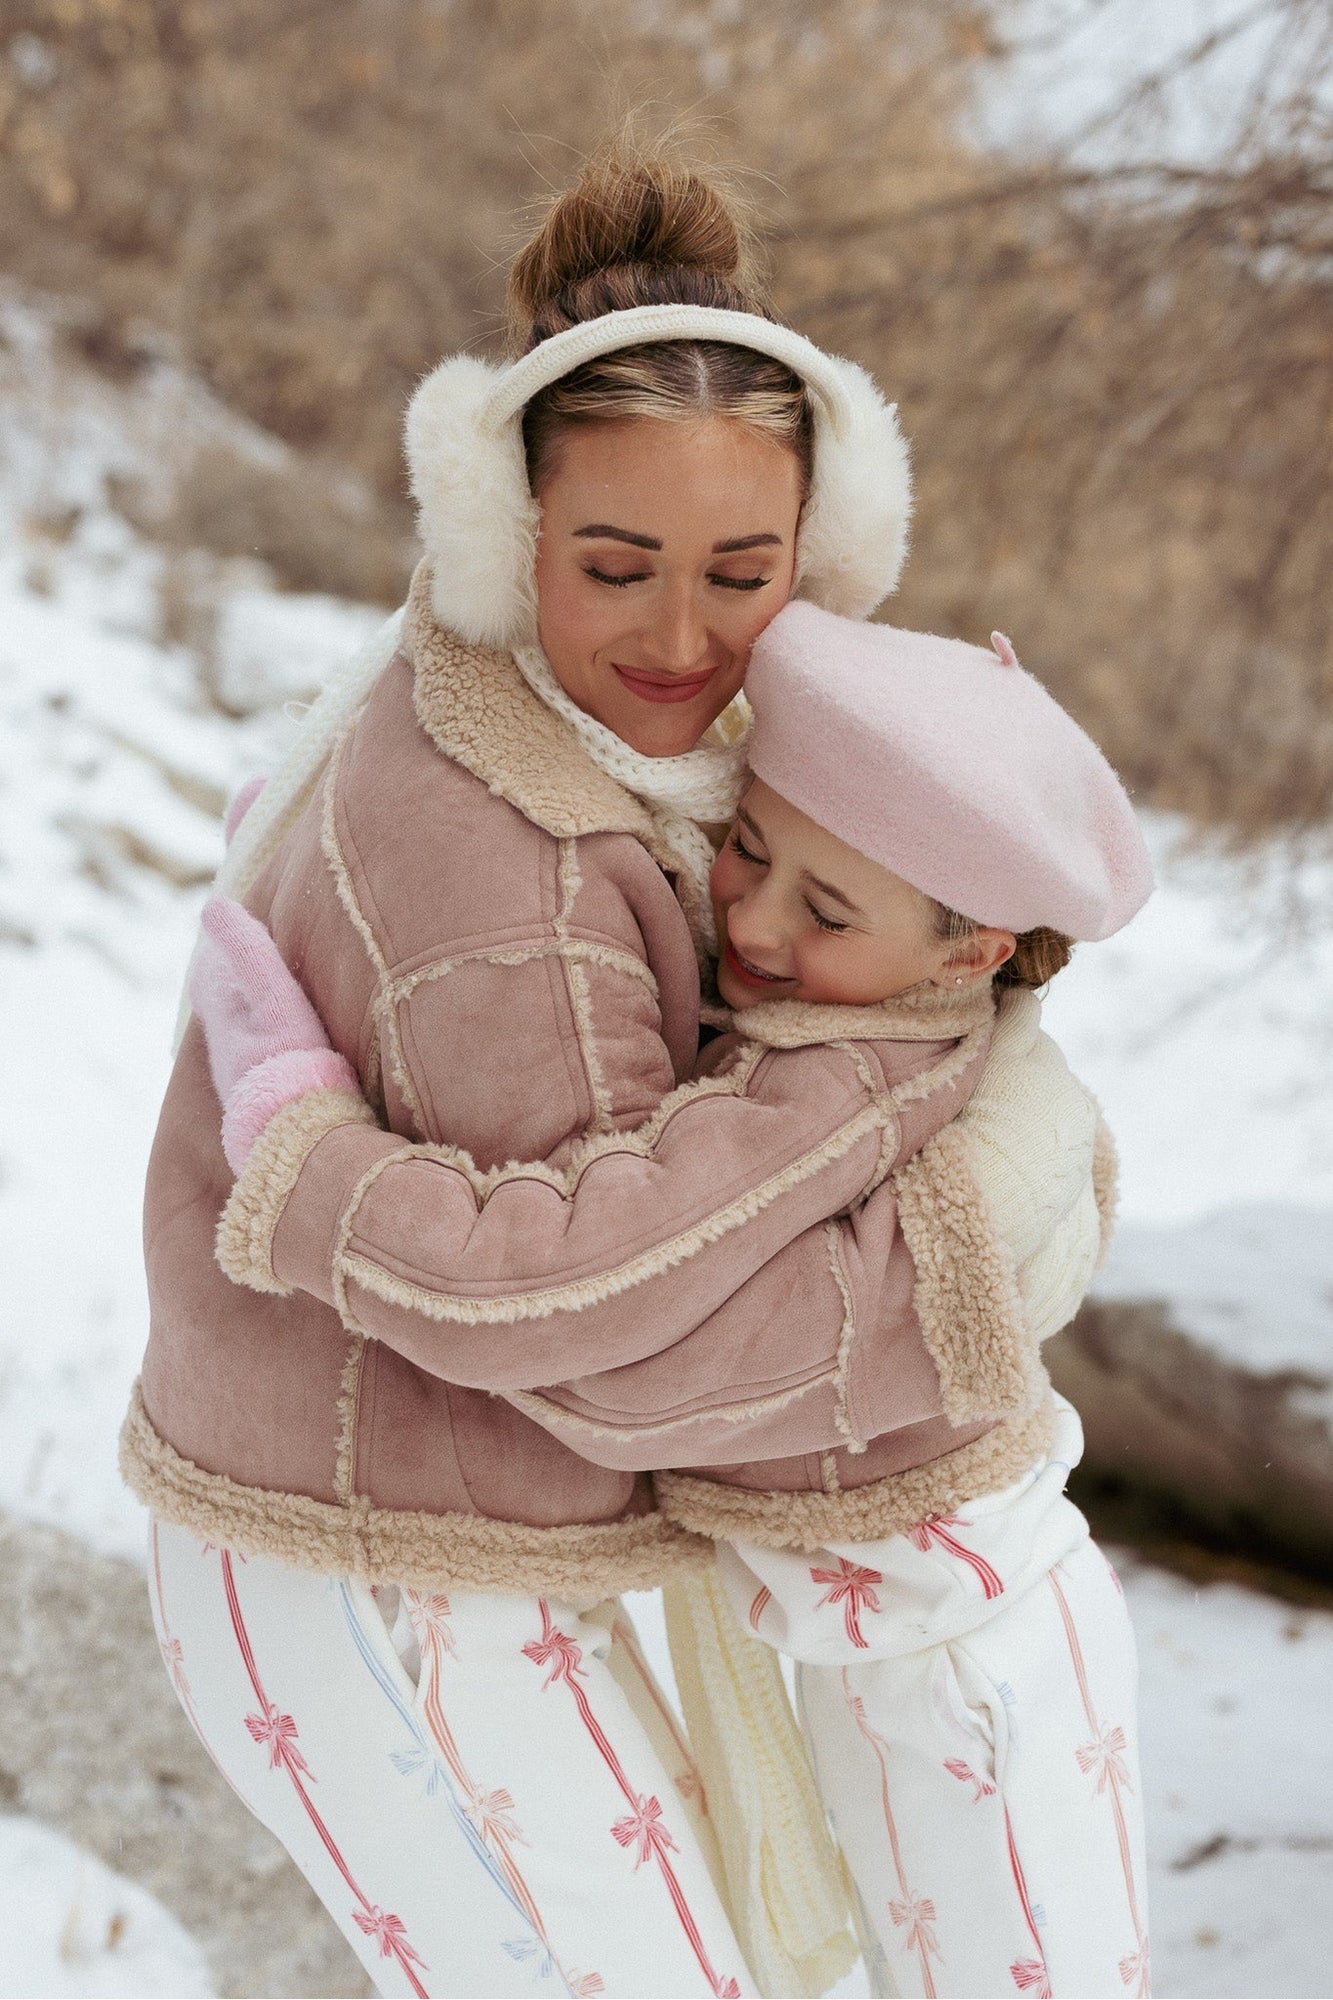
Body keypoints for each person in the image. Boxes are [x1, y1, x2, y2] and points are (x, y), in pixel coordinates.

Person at [124, 143, 1109, 2000]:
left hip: (456, 1544)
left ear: (821, 558)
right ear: (503, 537)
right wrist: (972, 1256)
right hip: (391, 1570)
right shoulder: (523, 870)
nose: (680, 639)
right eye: (613, 567)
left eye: (741, 573)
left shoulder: (638, 755)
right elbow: (614, 1334)